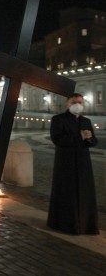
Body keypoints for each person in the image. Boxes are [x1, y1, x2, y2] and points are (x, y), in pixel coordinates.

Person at [47, 93, 99, 235]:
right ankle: (65, 224)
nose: (77, 104)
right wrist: (80, 136)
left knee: (84, 193)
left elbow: (94, 141)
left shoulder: (86, 121)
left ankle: (86, 224)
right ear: (67, 104)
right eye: (74, 102)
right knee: (66, 193)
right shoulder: (58, 119)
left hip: (83, 163)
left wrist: (89, 139)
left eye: (80, 102)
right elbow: (57, 139)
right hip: (65, 163)